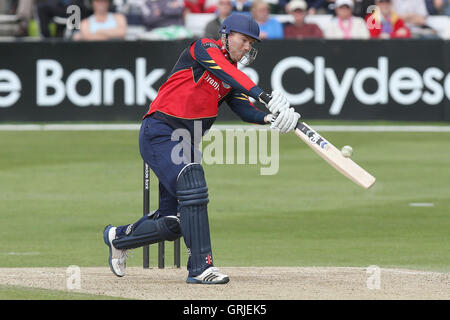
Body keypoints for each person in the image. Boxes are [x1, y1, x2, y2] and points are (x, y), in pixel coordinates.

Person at [103, 13, 300, 285]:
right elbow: (227, 72)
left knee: (173, 222)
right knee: (193, 181)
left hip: (186, 142)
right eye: (243, 40)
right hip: (159, 130)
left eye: (251, 43)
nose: (247, 47)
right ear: (225, 35)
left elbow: (244, 108)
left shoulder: (233, 76)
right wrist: (265, 96)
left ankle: (118, 237)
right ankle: (200, 267)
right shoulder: (203, 48)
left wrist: (270, 118)